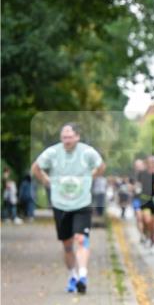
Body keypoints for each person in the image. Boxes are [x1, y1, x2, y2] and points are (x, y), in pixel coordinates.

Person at [31, 123, 105, 294]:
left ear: (77, 137)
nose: (67, 140)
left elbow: (101, 166)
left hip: (82, 203)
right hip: (60, 204)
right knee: (67, 245)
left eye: (70, 137)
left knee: (81, 239)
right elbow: (36, 167)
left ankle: (83, 276)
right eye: (64, 137)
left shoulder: (87, 152)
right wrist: (46, 181)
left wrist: (91, 177)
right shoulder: (52, 152)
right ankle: (73, 276)